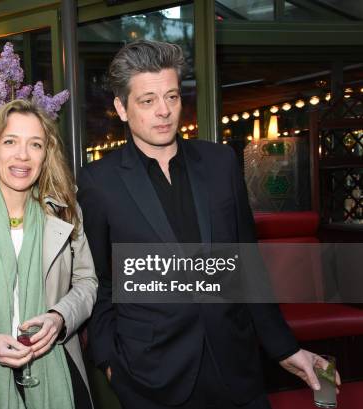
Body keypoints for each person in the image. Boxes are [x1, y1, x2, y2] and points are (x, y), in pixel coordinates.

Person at [77, 40, 339, 409]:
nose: (164, 111)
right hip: (149, 376)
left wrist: (284, 347)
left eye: (171, 96)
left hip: (235, 366)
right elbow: (100, 281)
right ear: (122, 107)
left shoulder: (220, 163)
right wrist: (109, 362)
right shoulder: (98, 182)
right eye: (147, 101)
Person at [0, 99, 97, 409]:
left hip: (57, 364)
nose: (22, 156)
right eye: (10, 141)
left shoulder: (66, 212)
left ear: (46, 154)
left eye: (35, 145)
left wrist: (59, 318)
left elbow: (87, 282)